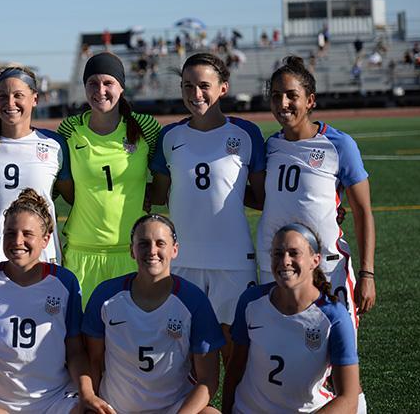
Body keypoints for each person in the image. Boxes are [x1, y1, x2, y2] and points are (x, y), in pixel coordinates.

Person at [257, 56, 375, 412]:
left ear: (310, 100)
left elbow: (363, 213)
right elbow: (265, 198)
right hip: (275, 268)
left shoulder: (339, 145)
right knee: (289, 354)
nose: (283, 104)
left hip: (329, 269)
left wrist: (367, 273)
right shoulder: (270, 147)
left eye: (291, 95)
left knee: (339, 360)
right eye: (276, 96)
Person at [151, 53, 265, 359]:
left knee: (235, 351)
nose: (195, 94)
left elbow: (265, 197)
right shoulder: (170, 136)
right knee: (185, 352)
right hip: (183, 259)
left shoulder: (246, 134)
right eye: (188, 86)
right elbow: (159, 194)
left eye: (204, 85)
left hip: (233, 260)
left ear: (223, 88)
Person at [0, 189, 106, 413]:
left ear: (45, 239)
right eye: (10, 233)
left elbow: (75, 349)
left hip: (56, 398)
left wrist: (87, 394)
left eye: (27, 234)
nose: (17, 241)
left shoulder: (64, 282)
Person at [82, 214, 224, 414]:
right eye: (143, 244)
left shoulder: (194, 301)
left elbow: (208, 379)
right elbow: (93, 361)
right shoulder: (106, 296)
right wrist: (92, 402)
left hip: (174, 408)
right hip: (115, 408)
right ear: (132, 250)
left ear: (174, 250)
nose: (152, 251)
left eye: (160, 243)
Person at [57, 51, 161, 305]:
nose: (100, 90)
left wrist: (145, 195)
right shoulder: (70, 130)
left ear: (121, 87)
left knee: (129, 338)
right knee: (82, 339)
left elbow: (164, 178)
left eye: (108, 83)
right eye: (92, 83)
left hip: (133, 252)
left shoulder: (144, 126)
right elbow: (66, 187)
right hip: (82, 254)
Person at [222, 223, 361, 413]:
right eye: (278, 254)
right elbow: (234, 370)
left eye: (294, 253)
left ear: (315, 260)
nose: (285, 261)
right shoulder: (251, 301)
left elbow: (349, 398)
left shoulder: (333, 316)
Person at [0, 66, 71, 270]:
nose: (10, 103)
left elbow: (67, 194)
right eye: (2, 96)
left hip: (42, 259)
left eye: (18, 95)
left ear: (35, 99)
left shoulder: (54, 144)